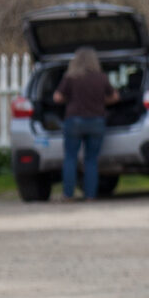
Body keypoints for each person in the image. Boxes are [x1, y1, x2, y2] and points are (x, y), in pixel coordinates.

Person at [53, 46, 113, 201]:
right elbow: (115, 96)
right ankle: (90, 195)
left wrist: (70, 99)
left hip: (74, 121)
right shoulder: (101, 78)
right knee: (91, 159)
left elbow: (57, 97)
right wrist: (101, 100)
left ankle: (68, 194)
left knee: (71, 157)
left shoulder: (71, 77)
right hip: (97, 121)